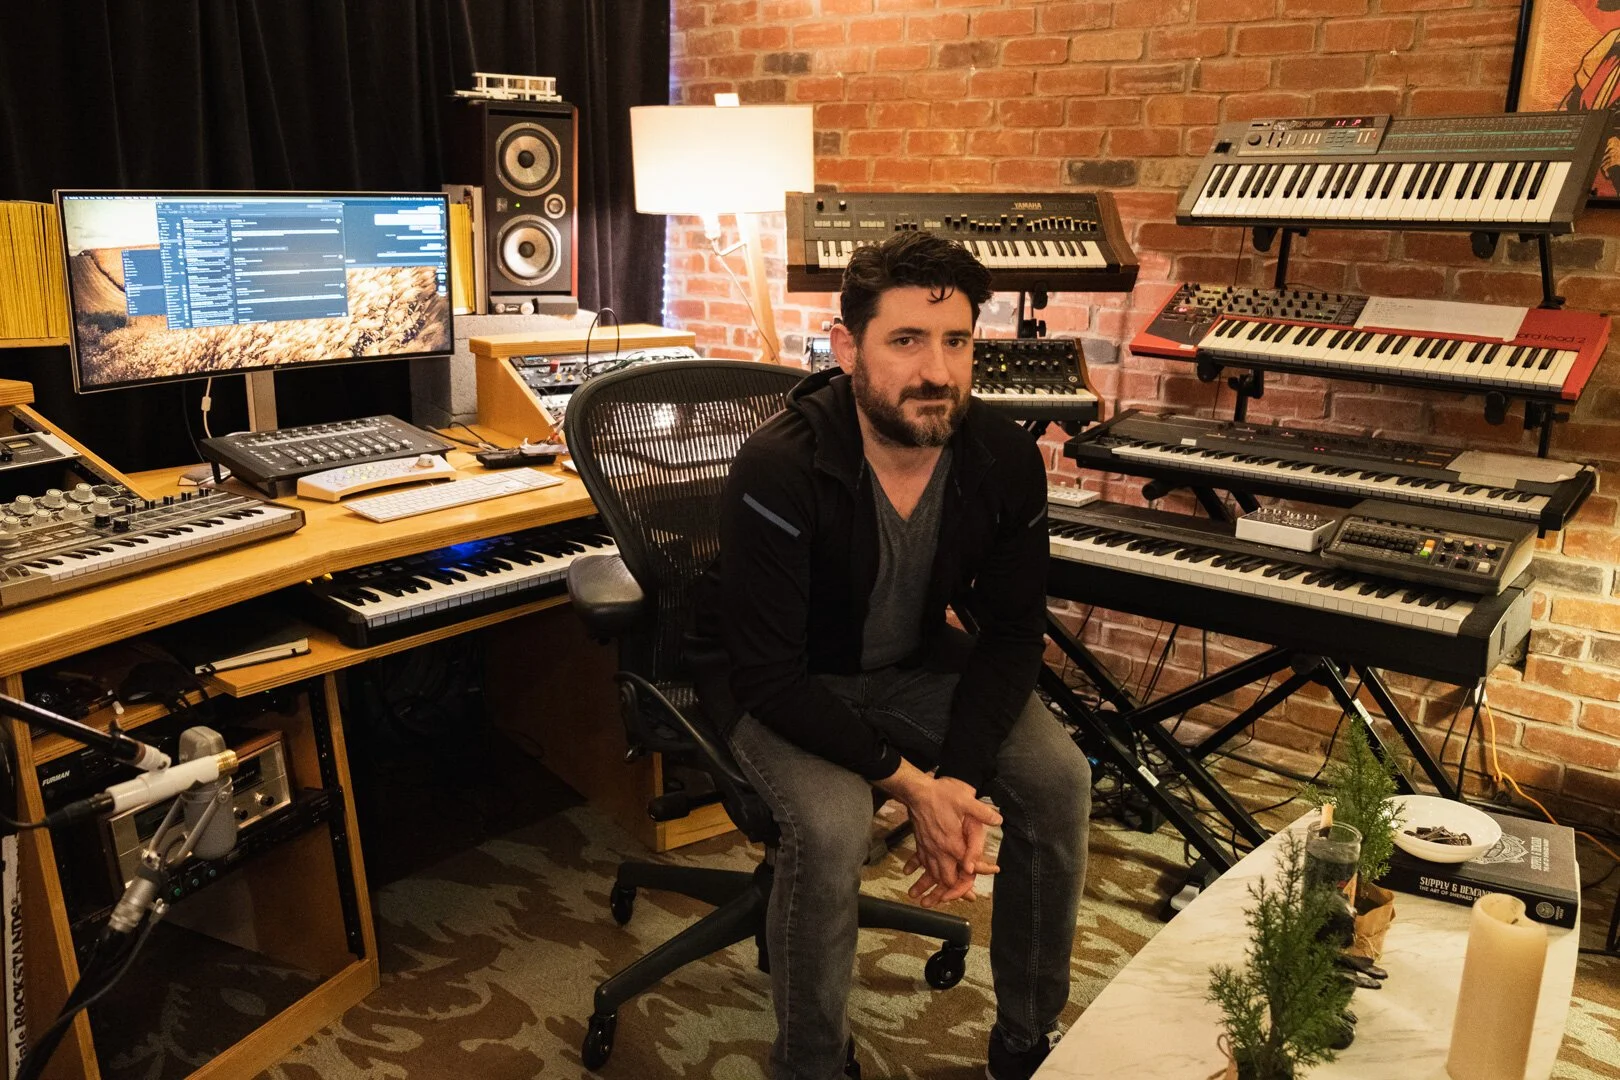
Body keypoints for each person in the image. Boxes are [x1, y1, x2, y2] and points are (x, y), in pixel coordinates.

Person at [693, 231, 1091, 1080]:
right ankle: (812, 1063)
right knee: (834, 826)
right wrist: (911, 786)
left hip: (908, 664)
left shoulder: (1002, 457)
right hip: (780, 683)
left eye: (956, 342)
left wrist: (961, 783)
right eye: (906, 341)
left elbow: (1015, 633)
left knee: (1060, 782)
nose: (938, 371)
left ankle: (1025, 1038)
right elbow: (767, 673)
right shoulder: (780, 466)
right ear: (848, 349)